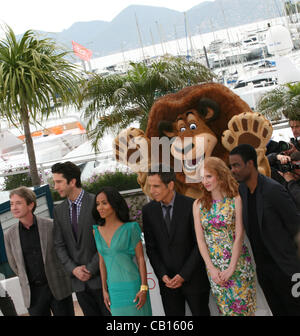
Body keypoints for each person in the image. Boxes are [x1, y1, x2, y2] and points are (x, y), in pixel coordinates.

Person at [229, 144, 300, 316]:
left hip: (288, 270)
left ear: (251, 164)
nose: (232, 170)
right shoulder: (243, 190)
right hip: (265, 273)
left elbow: (296, 228)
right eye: (231, 166)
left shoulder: (273, 190)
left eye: (236, 165)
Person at [142, 165, 211, 316]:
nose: (152, 190)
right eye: (150, 186)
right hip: (167, 284)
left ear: (170, 185)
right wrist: (163, 275)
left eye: (156, 186)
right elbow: (151, 248)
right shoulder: (148, 211)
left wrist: (183, 275)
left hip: (194, 280)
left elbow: (199, 244)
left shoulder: (192, 205)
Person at [193, 157, 256, 316]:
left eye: (208, 176)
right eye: (202, 177)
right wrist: (211, 268)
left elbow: (240, 235)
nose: (205, 181)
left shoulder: (236, 199)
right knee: (226, 312)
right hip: (214, 269)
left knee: (245, 310)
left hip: (238, 265)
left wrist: (232, 267)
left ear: (220, 175)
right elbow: (200, 240)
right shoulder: (198, 205)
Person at [4, 187, 74, 316]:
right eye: (11, 204)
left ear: (31, 205)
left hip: (58, 288)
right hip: (33, 295)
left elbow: (64, 253)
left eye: (18, 203)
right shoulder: (9, 235)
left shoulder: (51, 225)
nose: (14, 207)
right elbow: (14, 264)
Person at [52, 161, 109, 316]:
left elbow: (107, 240)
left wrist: (91, 268)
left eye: (59, 182)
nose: (55, 187)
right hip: (79, 283)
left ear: (72, 181)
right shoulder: (58, 210)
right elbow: (59, 245)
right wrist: (74, 269)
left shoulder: (96, 203)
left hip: (103, 279)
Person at [92, 186, 152, 316]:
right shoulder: (96, 231)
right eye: (97, 204)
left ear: (114, 204)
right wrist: (104, 290)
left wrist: (143, 288)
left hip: (133, 287)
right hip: (113, 290)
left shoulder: (131, 228)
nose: (99, 207)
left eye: (104, 203)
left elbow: (141, 259)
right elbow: (102, 262)